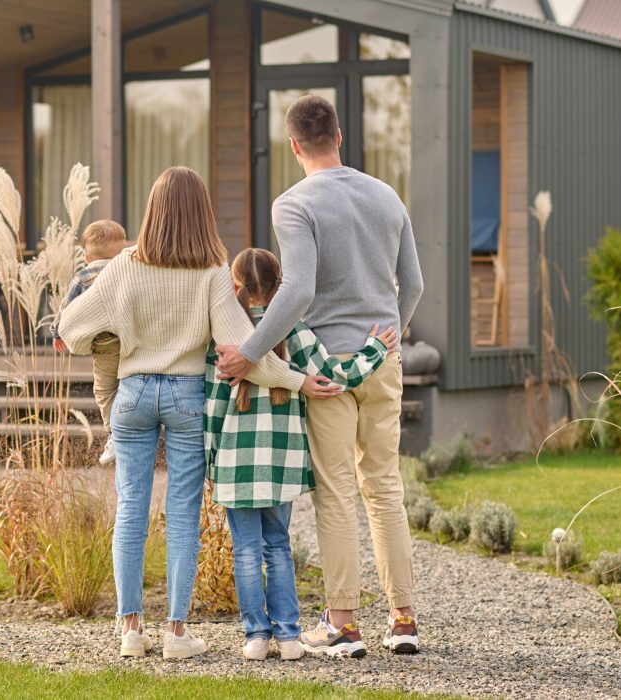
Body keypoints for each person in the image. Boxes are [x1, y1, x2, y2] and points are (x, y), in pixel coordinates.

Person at [57, 167, 341, 661]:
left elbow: (70, 327)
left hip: (132, 393)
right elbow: (243, 353)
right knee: (183, 514)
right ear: (202, 214)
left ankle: (130, 630)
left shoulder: (123, 265)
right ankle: (175, 633)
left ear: (152, 211)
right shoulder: (212, 273)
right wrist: (298, 380)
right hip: (188, 397)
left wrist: (114, 339)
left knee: (130, 509)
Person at [215, 95, 424, 656]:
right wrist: (387, 343)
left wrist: (250, 352)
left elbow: (298, 289)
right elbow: (415, 283)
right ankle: (402, 619)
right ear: (339, 134)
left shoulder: (293, 204)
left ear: (292, 146)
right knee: (385, 490)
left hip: (325, 371)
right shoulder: (386, 196)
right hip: (381, 361)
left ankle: (344, 625)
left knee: (335, 495)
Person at [205, 248, 396, 661]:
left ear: (234, 287)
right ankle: (290, 637)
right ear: (282, 287)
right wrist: (375, 349)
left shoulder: (225, 336)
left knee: (246, 551)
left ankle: (256, 637)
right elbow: (335, 377)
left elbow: (213, 405)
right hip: (283, 462)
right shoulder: (295, 330)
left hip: (236, 465)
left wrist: (211, 459)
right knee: (278, 546)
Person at [51, 219, 128, 466]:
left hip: (104, 346)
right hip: (132, 341)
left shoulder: (83, 276)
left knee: (105, 390)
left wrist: (56, 332)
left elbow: (66, 307)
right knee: (128, 385)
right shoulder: (128, 270)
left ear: (86, 256)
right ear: (123, 250)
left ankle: (115, 433)